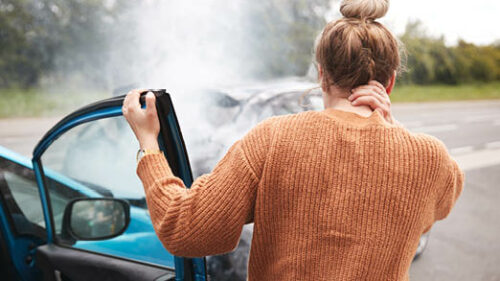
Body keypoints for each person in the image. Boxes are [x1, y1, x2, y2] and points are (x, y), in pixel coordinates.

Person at [122, 0, 464, 279]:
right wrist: (391, 125)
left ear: (321, 74)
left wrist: (149, 145)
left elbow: (185, 229)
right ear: (389, 83)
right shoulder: (430, 158)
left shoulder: (273, 138)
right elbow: (445, 197)